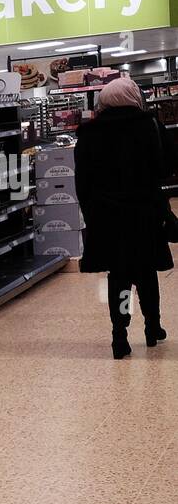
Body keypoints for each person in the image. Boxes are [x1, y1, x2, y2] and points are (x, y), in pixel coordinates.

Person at [74, 76, 174, 358]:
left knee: (118, 276)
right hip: (144, 212)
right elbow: (166, 168)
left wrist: (90, 213)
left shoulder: (89, 134)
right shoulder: (151, 125)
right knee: (145, 272)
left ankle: (120, 335)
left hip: (107, 217)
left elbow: (82, 182)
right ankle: (153, 327)